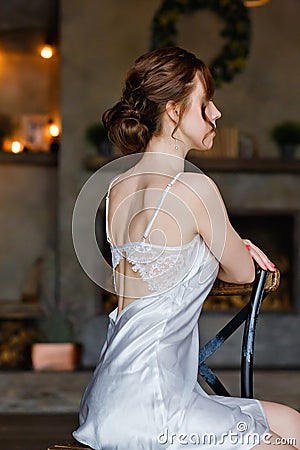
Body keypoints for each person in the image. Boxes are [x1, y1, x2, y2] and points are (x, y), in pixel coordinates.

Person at [73, 47, 299, 449]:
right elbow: (244, 274)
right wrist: (235, 243)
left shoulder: (116, 188)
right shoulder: (195, 189)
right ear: (175, 111)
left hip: (109, 397)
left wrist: (222, 239)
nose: (216, 114)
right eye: (205, 103)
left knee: (291, 423)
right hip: (155, 408)